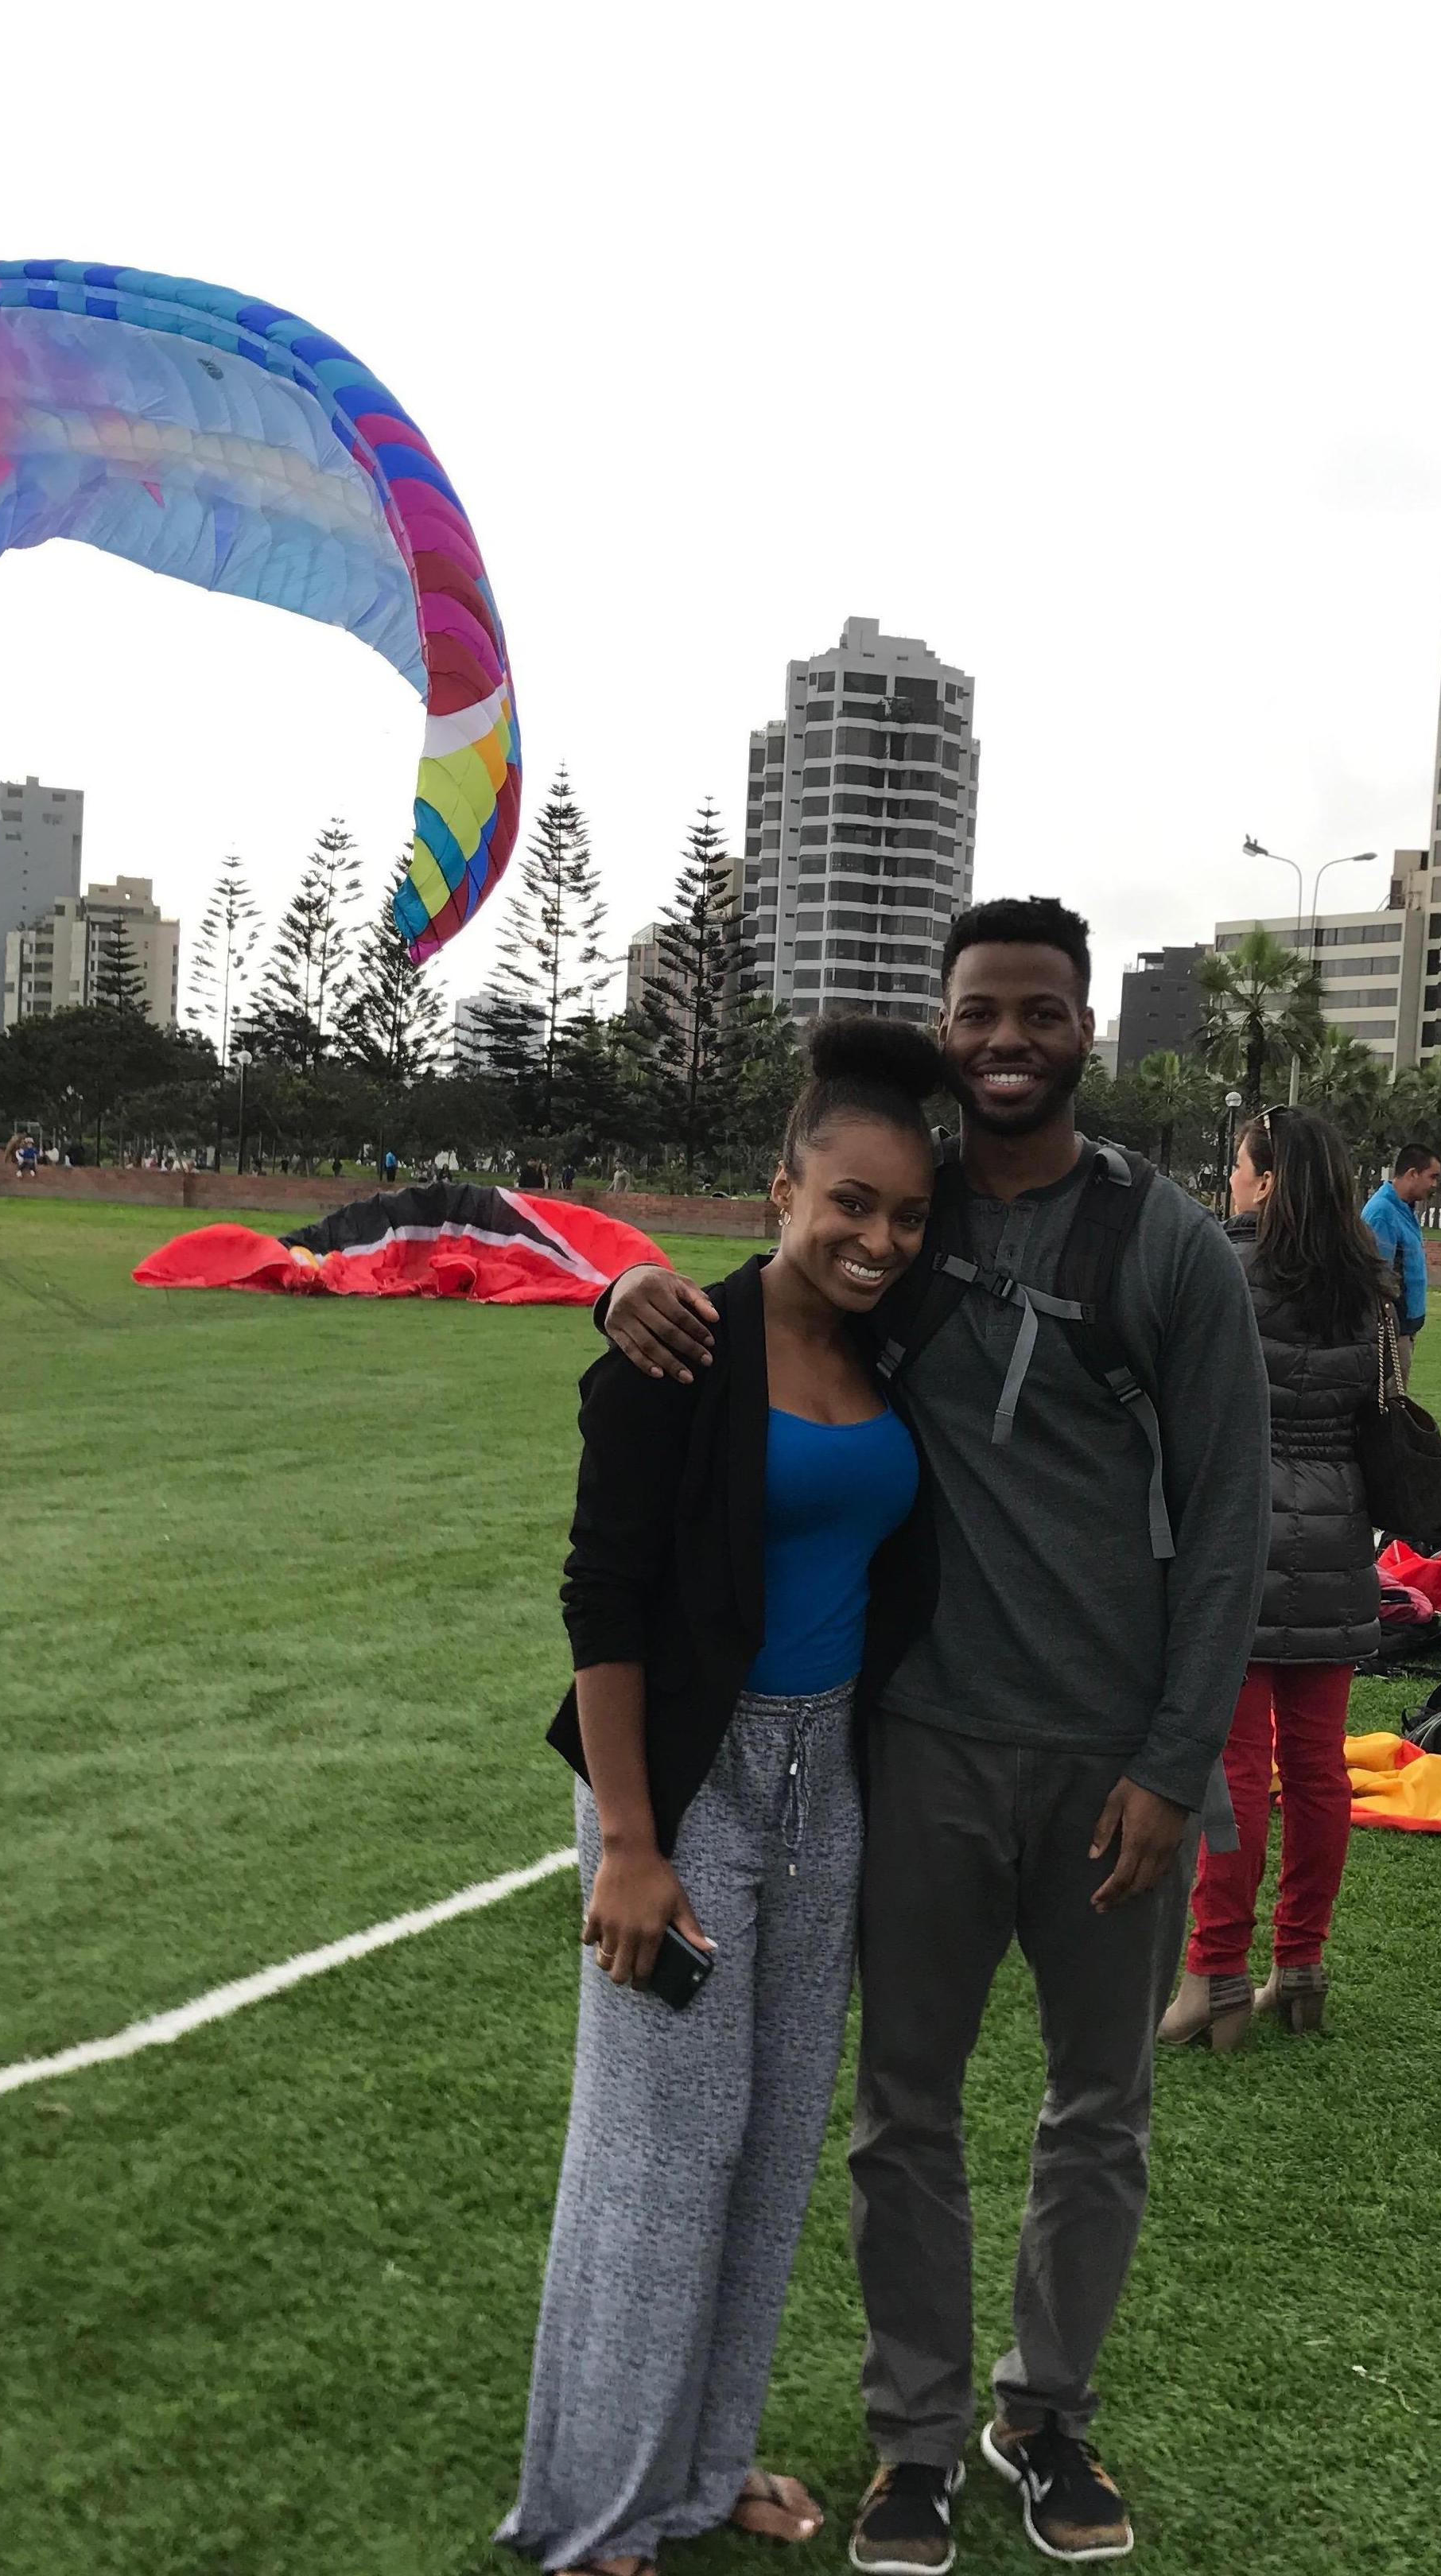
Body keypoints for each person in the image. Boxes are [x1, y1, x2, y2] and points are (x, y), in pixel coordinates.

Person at [596, 897, 1269, 2574]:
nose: (1008, 1043)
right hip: (919, 1746)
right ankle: (912, 2444)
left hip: (1110, 1760)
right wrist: (623, 1292)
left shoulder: (1164, 1243)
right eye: (980, 1014)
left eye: (1040, 1014)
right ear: (948, 1025)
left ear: (1085, 1029)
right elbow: (774, 1298)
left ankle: (1044, 2419)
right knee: (903, 2110)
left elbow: (1234, 1520)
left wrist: (1175, 1766)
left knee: (1097, 2107)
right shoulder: (911, 1210)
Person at [499, 1019, 948, 2576]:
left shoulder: (895, 1345)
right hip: (684, 1787)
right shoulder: (679, 1345)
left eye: (905, 1213)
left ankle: (696, 2473)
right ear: (782, 1190)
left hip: (833, 1783)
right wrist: (627, 1841)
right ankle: (599, 2521)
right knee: (655, 2153)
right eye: (851, 1203)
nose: (880, 1237)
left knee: (764, 2149)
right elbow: (603, 1598)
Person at [1162, 1106, 1385, 2053]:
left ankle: (1215, 1973)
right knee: (1319, 1770)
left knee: (1235, 1769)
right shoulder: (1362, 1284)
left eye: (1244, 1169)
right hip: (1339, 1537)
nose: (1234, 1184)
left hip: (1237, 1535)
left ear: (1266, 1181)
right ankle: (1303, 1967)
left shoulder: (1222, 1268)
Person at [1362, 1143, 1436, 1388]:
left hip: (1404, 1326)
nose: (1434, 1184)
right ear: (1412, 1173)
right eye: (1432, 1177)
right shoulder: (1383, 1212)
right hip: (1391, 1330)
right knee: (1391, 1401)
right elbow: (1378, 1276)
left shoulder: (1403, 1209)